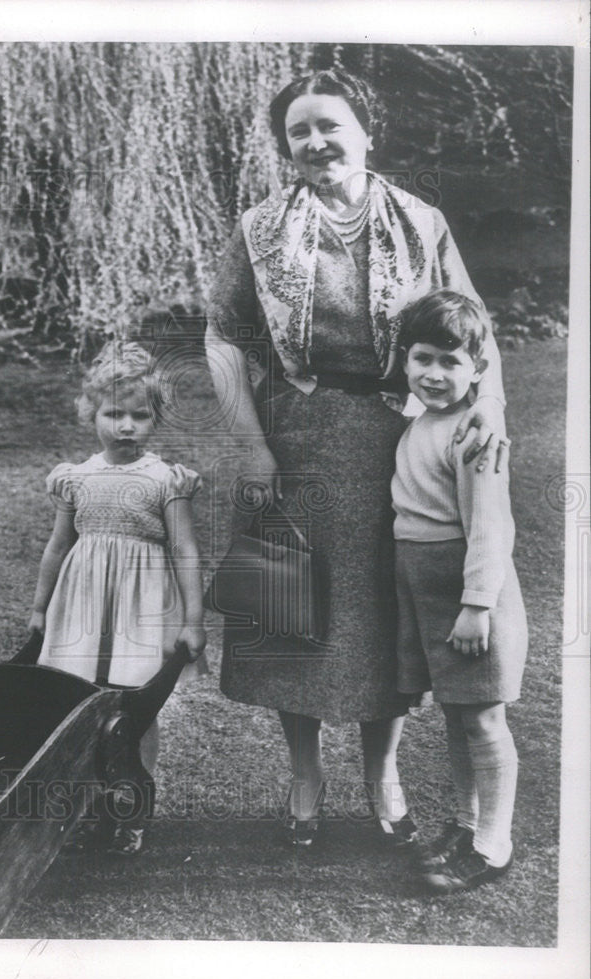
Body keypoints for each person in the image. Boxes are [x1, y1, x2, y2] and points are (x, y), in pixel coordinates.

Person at [204, 68, 508, 847]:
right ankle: (304, 776)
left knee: (382, 618)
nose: (315, 142)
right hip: (291, 443)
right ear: (286, 147)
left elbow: (473, 326)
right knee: (286, 614)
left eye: (328, 126)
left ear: (366, 132)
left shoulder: (419, 220)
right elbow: (223, 334)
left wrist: (490, 415)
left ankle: (384, 774)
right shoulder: (260, 227)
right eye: (298, 132)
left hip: (394, 442)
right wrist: (250, 445)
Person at [32, 340, 206, 853]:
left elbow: (185, 549)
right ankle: (88, 805)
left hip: (142, 609)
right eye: (114, 414)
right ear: (92, 413)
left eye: (139, 416)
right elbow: (59, 546)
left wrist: (193, 620)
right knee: (81, 704)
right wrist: (40, 608)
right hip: (84, 607)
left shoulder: (164, 480)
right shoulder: (76, 478)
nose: (126, 426)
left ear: (155, 419)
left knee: (135, 709)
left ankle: (131, 806)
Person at [392, 290, 527, 892]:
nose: (435, 374)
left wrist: (477, 606)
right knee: (457, 714)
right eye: (423, 358)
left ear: (478, 369)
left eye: (452, 362)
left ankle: (494, 847)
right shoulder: (420, 421)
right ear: (405, 359)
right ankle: (467, 824)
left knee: (483, 720)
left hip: (468, 593)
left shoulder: (475, 436)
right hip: (426, 586)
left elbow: (490, 528)